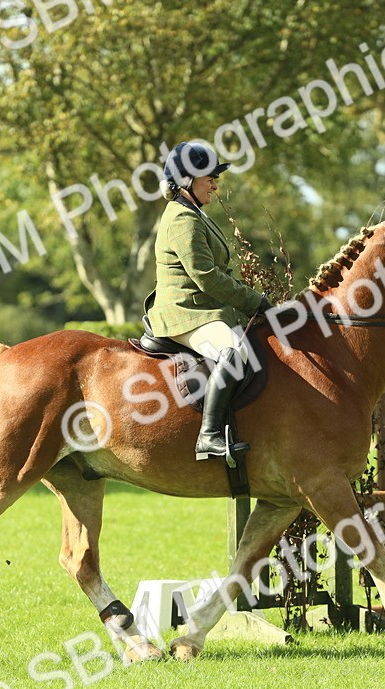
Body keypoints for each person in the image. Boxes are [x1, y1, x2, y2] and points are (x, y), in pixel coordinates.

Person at [146, 141, 272, 462]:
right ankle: (209, 435)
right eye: (210, 179)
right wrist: (254, 302)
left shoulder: (195, 214)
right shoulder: (182, 220)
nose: (215, 185)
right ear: (187, 181)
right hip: (185, 313)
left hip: (203, 311)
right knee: (232, 353)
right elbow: (208, 278)